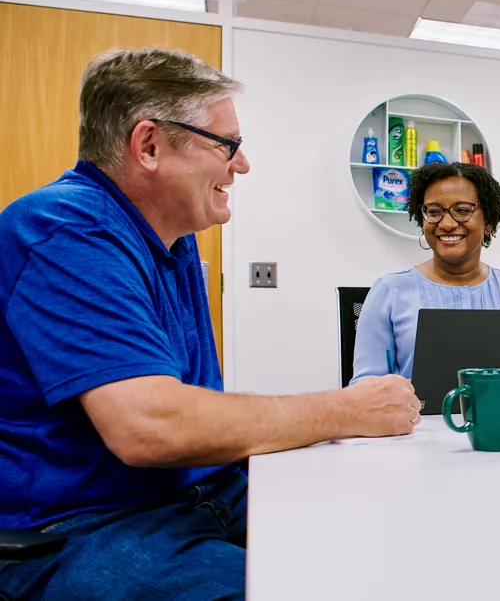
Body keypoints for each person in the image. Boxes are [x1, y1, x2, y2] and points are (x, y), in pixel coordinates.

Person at [0, 48, 421, 600]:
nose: (240, 165)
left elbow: (187, 410)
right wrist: (347, 409)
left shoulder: (171, 241)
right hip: (86, 525)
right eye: (227, 146)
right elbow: (150, 425)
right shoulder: (63, 232)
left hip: (200, 493)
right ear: (149, 145)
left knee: (391, 547)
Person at [351, 162, 500, 385]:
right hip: (416, 419)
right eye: (434, 212)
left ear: (488, 221)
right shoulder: (390, 290)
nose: (447, 223)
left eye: (462, 210)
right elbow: (365, 388)